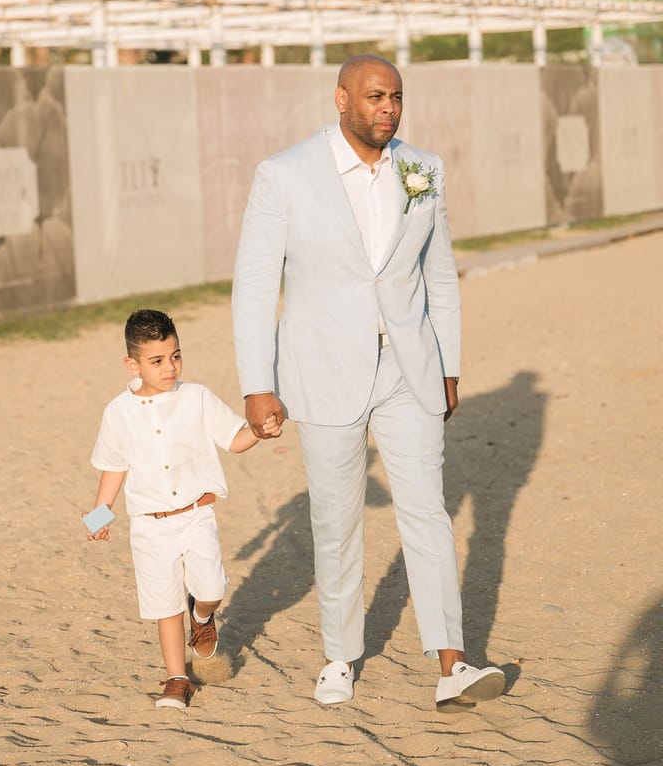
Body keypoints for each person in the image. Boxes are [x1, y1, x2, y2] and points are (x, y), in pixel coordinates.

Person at [231, 54, 505, 708]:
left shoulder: (422, 169)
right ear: (342, 99)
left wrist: (448, 365)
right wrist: (257, 383)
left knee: (428, 512)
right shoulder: (284, 174)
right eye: (376, 96)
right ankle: (339, 657)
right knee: (336, 520)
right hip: (322, 369)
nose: (389, 108)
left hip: (409, 368)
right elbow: (255, 285)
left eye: (397, 97)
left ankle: (453, 663)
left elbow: (439, 273)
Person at [85, 307, 281, 710]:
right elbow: (113, 468)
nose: (170, 367)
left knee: (211, 589)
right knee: (166, 605)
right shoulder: (117, 412)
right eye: (157, 361)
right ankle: (177, 679)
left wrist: (260, 430)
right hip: (149, 526)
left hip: (196, 515)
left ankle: (203, 618)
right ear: (132, 364)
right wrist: (100, 516)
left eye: (175, 356)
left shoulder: (196, 397)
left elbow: (235, 440)